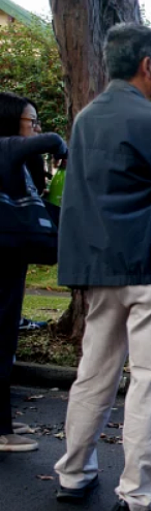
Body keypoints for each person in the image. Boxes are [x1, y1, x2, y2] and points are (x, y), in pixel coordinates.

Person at [54, 23, 151, 511]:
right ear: (147, 65)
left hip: (99, 267)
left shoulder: (85, 118)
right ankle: (141, 498)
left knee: (93, 372)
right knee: (149, 383)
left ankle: (74, 474)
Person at [0, 92, 68, 453]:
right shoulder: (6, 146)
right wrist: (61, 147)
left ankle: (4, 421)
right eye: (32, 121)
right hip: (4, 257)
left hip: (10, 255)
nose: (37, 128)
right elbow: (53, 141)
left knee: (7, 338)